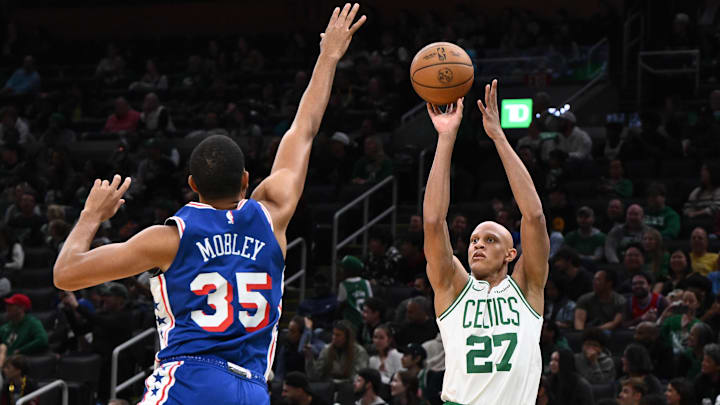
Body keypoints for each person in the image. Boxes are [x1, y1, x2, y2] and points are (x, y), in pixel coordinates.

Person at [52, 5, 366, 404]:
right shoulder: (273, 214)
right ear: (247, 181)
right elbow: (304, 130)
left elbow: (66, 274)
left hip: (190, 380)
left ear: (192, 185)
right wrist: (329, 56)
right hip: (252, 389)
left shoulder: (168, 239)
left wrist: (90, 216)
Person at [423, 80, 549, 404]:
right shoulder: (453, 289)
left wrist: (499, 137)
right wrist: (446, 138)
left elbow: (533, 216)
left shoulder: (527, 288)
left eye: (490, 239)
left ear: (511, 253)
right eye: (475, 239)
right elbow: (434, 222)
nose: (478, 244)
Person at [337, 255, 373, 333]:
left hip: (351, 322)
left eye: (342, 268)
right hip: (365, 320)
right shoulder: (366, 283)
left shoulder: (343, 284)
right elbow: (371, 301)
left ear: (348, 270)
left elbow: (340, 305)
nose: (340, 270)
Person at [660, 290, 701, 355]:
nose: (687, 304)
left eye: (691, 301)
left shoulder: (699, 325)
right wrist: (663, 316)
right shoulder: (671, 319)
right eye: (685, 301)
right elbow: (660, 334)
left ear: (698, 304)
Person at [683, 162, 720, 230]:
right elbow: (687, 207)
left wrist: (697, 213)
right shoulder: (697, 191)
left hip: (712, 224)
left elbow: (717, 208)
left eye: (705, 171)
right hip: (695, 223)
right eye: (702, 171)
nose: (702, 173)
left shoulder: (718, 190)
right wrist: (689, 213)